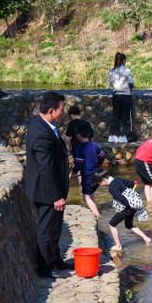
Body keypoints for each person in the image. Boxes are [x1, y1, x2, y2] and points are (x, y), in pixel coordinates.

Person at [24, 91, 71, 279]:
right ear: (51, 111)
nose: (63, 112)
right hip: (46, 192)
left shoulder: (44, 124)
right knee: (47, 230)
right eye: (62, 109)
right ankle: (46, 269)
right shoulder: (41, 134)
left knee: (54, 228)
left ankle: (56, 261)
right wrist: (56, 196)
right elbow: (46, 169)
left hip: (49, 189)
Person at [97, 171, 152, 252]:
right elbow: (131, 183)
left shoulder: (112, 188)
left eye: (99, 183)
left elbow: (121, 198)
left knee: (112, 224)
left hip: (128, 207)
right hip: (132, 206)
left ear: (103, 180)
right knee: (129, 225)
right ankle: (147, 239)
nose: (100, 185)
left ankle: (118, 246)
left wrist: (128, 205)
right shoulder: (117, 179)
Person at [73, 125, 106, 218]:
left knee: (86, 197)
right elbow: (103, 156)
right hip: (96, 174)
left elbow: (79, 163)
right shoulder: (95, 145)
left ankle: (98, 216)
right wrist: (98, 163)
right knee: (91, 193)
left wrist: (73, 171)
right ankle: (95, 209)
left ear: (79, 135)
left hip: (87, 176)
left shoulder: (80, 148)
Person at [108, 52, 134, 143]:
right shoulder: (127, 71)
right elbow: (131, 84)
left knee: (116, 116)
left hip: (116, 96)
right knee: (125, 117)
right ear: (124, 60)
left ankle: (113, 136)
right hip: (126, 96)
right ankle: (123, 136)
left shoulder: (111, 71)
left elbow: (110, 83)